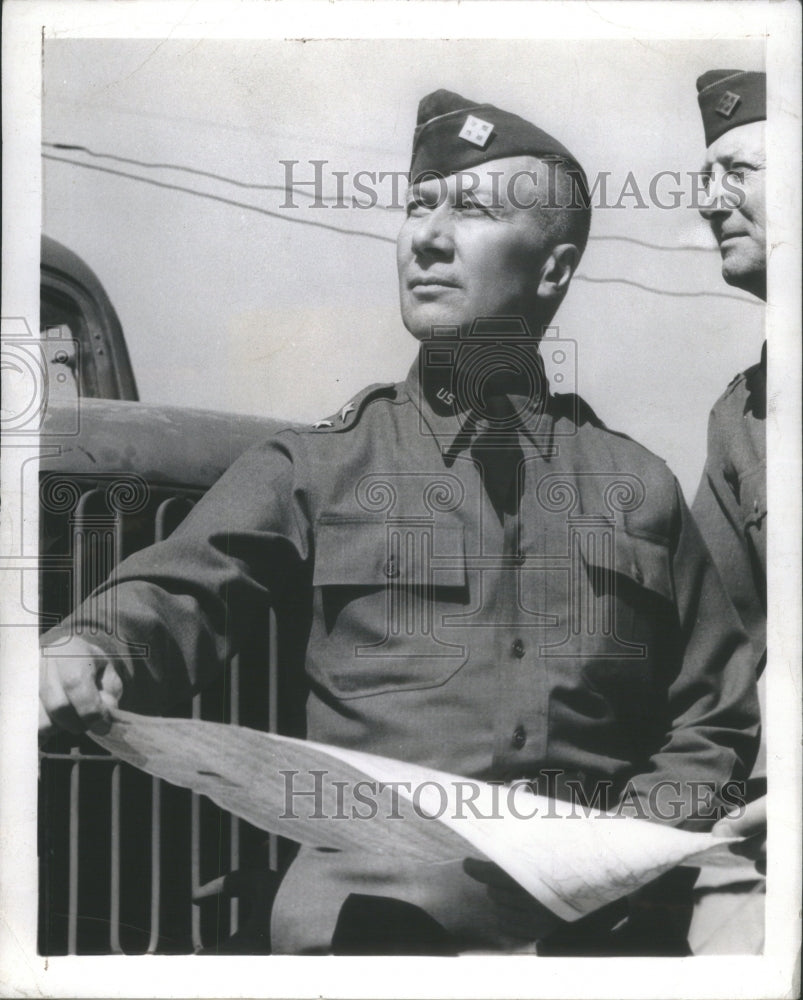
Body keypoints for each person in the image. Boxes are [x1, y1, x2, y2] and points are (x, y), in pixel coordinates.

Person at [39, 89, 760, 956]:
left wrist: (628, 858)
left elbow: (711, 720)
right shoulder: (317, 467)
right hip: (364, 939)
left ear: (555, 271)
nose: (426, 236)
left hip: (595, 945)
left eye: (474, 209)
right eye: (419, 205)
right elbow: (174, 593)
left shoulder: (636, 487)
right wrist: (93, 647)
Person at [686, 69, 768, 954]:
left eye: (735, 171)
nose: (709, 202)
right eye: (703, 179)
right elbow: (716, 666)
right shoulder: (740, 419)